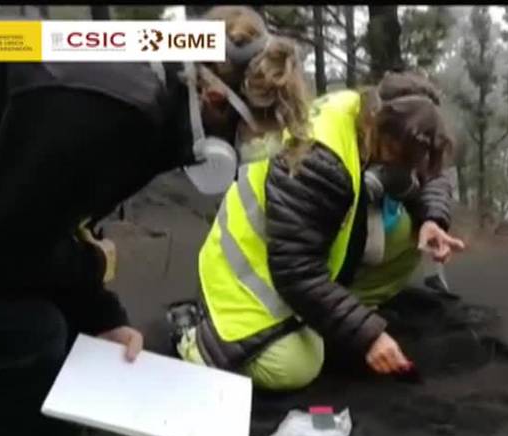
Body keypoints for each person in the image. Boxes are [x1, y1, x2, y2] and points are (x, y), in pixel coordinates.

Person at [0, 6, 309, 436]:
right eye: (248, 133)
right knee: (22, 334)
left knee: (57, 313)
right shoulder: (113, 104)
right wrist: (88, 274)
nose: (244, 148)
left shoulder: (144, 75)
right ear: (216, 97)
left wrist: (100, 313)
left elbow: (45, 209)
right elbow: (1, 245)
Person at [176, 71, 466, 391]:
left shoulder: (371, 109)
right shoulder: (321, 160)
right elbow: (295, 271)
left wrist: (432, 221)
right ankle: (195, 340)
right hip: (247, 273)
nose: (404, 170)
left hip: (299, 248)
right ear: (382, 130)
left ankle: (340, 314)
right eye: (401, 158)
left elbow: (430, 174)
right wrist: (368, 336)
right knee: (296, 366)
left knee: (410, 235)